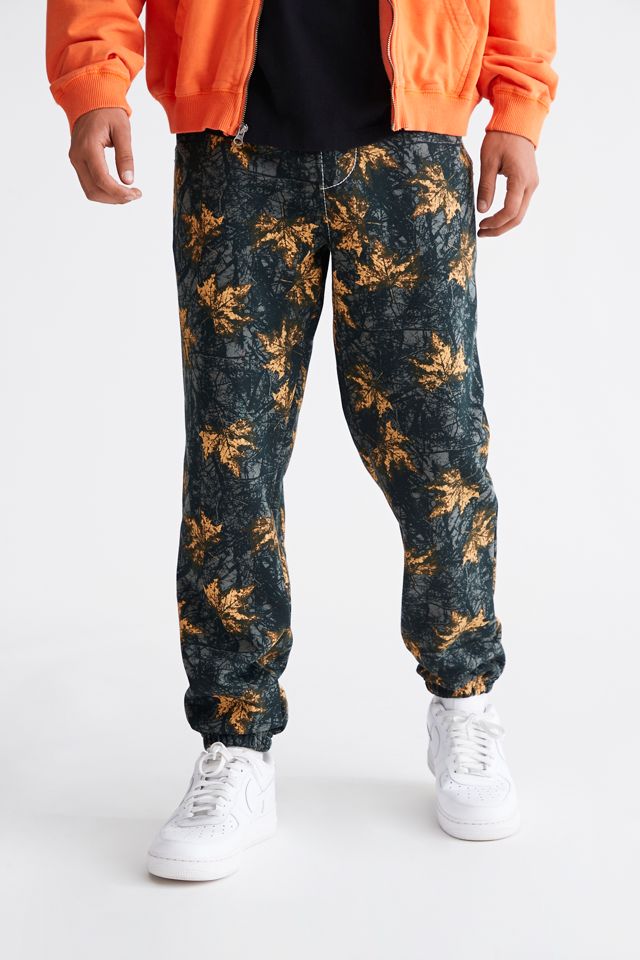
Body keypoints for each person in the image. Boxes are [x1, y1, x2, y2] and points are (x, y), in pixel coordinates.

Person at [46, 0, 557, 879]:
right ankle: (234, 745)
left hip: (412, 148)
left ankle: (464, 701)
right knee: (230, 457)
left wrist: (518, 101)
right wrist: (95, 81)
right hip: (233, 150)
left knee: (440, 449)